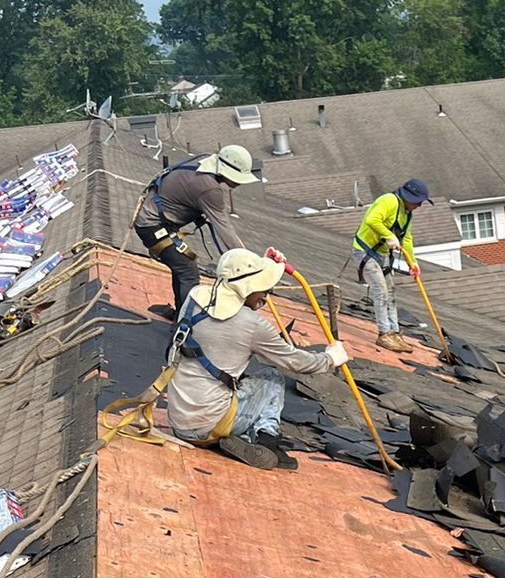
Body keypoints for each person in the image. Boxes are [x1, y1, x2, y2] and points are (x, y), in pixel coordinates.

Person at [163, 248, 348, 471]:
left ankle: (231, 434)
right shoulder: (251, 325)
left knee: (230, 373)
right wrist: (330, 358)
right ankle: (266, 440)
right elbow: (298, 362)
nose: (265, 295)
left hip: (178, 418)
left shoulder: (195, 297)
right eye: (261, 289)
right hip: (208, 424)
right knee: (272, 378)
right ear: (247, 287)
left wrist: (266, 265)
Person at [135, 146, 258, 317]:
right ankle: (186, 323)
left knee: (183, 267)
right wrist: (249, 264)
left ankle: (180, 313)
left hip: (156, 220)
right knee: (188, 271)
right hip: (152, 226)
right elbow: (224, 229)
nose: (239, 183)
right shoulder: (209, 189)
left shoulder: (203, 160)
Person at [353, 179, 430, 353]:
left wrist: (412, 262)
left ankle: (395, 332)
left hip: (382, 255)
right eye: (417, 201)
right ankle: (384, 334)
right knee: (381, 291)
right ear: (408, 197)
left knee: (391, 292)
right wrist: (388, 236)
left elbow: (407, 238)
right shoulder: (389, 201)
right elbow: (372, 219)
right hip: (364, 252)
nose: (419, 205)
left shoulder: (407, 213)